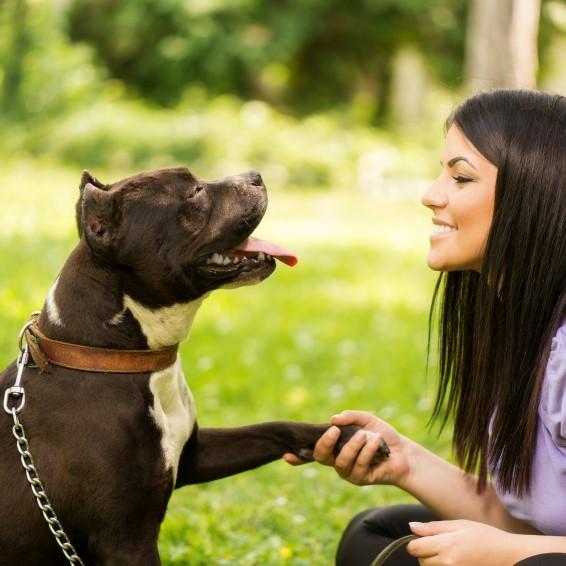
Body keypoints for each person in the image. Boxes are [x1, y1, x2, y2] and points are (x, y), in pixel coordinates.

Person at [284, 89, 566, 565]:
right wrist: (406, 461)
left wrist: (511, 554)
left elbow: (527, 543)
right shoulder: (522, 330)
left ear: (535, 192)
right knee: (373, 537)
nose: (430, 195)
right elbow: (540, 521)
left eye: (460, 177)